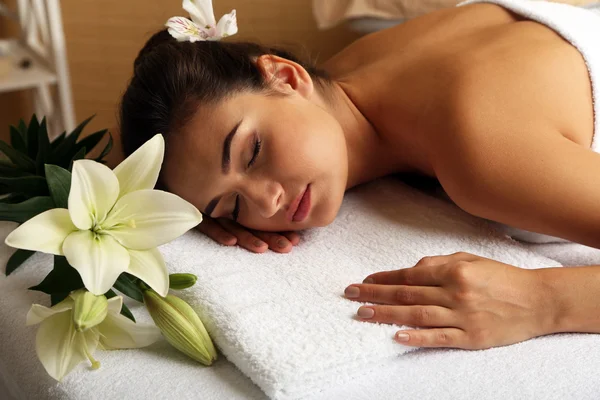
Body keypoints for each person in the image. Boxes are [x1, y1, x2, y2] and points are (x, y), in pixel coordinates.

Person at [119, 0, 600, 350]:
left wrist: (542, 301)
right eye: (232, 205)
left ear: (286, 77)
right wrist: (210, 201)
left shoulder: (480, 154)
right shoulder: (344, 76)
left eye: (252, 152)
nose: (266, 204)